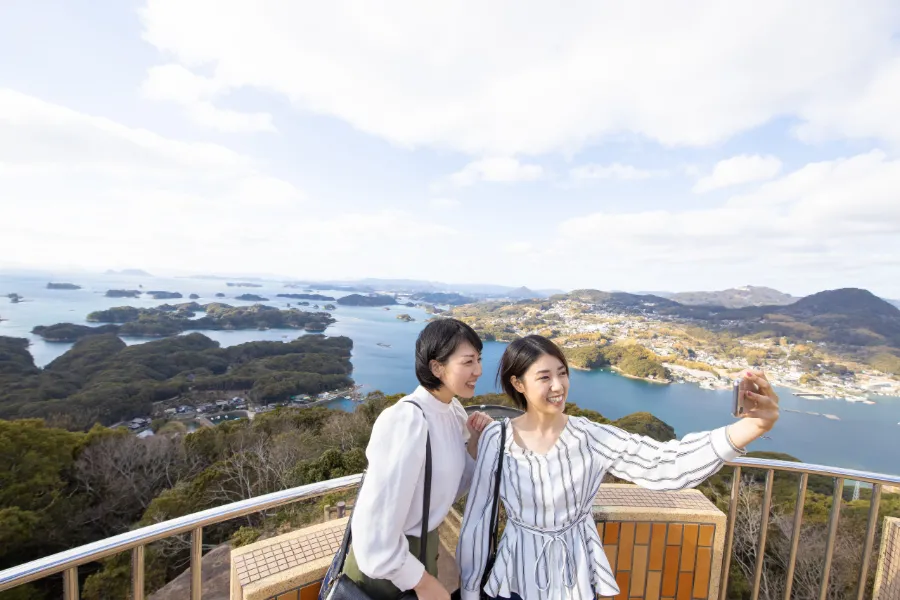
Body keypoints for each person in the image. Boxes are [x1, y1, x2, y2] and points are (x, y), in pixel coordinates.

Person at [457, 335, 780, 600]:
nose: (558, 386)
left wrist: (754, 427)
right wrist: (470, 592)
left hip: (576, 579)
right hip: (513, 578)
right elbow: (477, 520)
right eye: (544, 377)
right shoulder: (496, 439)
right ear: (519, 383)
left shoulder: (591, 436)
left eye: (563, 372)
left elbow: (665, 463)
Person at [345, 318, 494, 600]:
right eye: (468, 361)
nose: (478, 370)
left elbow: (446, 489)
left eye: (479, 359)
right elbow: (373, 535)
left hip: (424, 549)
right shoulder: (406, 420)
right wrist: (423, 583)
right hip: (387, 568)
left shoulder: (453, 412)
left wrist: (474, 445)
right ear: (437, 367)